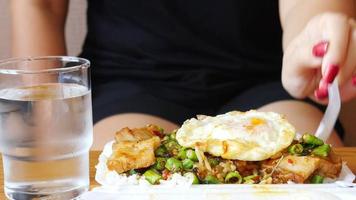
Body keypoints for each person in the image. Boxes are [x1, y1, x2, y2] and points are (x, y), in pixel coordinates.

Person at [10, 0, 356, 149]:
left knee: (306, 179)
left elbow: (307, 6)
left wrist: (313, 42)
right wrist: (44, 118)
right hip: (130, 79)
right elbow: (39, 4)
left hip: (269, 79)